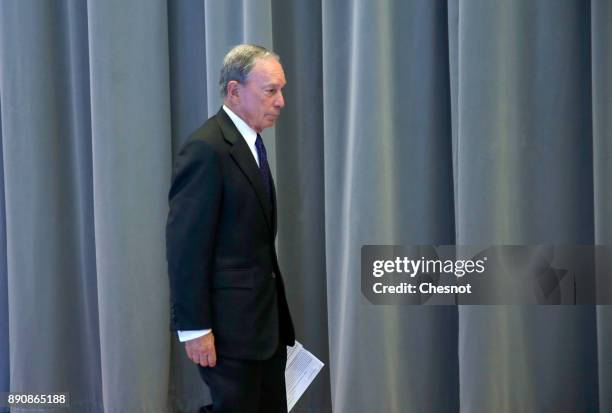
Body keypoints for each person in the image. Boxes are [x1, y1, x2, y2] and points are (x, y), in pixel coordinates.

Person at [166, 44, 295, 413]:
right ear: (235, 91)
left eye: (281, 90)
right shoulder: (206, 149)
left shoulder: (251, 143)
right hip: (228, 331)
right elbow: (184, 247)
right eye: (271, 90)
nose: (281, 101)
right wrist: (194, 327)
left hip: (264, 327)